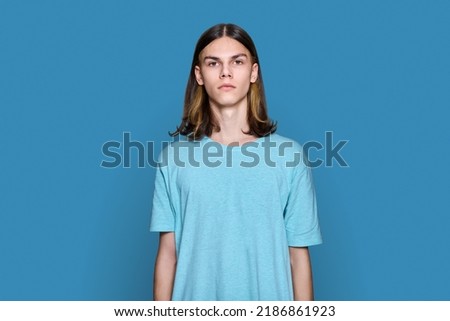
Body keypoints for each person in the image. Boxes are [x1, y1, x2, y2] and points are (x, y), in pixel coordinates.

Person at [150, 23, 322, 301]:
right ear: (199, 74)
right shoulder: (173, 159)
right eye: (213, 63)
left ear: (253, 72)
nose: (226, 72)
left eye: (237, 62)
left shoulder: (290, 157)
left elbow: (297, 257)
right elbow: (168, 255)